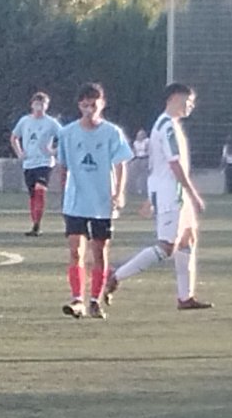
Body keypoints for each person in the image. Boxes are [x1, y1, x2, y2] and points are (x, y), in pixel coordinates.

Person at [105, 84, 212, 311]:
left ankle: (185, 297)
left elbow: (158, 165)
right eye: (188, 100)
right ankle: (116, 276)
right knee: (166, 247)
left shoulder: (169, 125)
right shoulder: (167, 127)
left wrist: (152, 197)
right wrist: (193, 193)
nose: (191, 105)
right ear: (174, 97)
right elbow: (173, 164)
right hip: (172, 194)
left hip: (170, 192)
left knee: (188, 239)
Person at [55, 82, 133, 319]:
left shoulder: (112, 133)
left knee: (99, 250)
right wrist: (64, 193)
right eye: (85, 104)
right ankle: (77, 298)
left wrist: (118, 193)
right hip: (76, 201)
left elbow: (121, 164)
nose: (90, 108)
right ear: (80, 106)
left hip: (101, 201)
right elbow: (64, 166)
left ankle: (95, 300)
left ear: (102, 104)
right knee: (75, 250)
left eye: (94, 104)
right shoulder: (67, 133)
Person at [10, 92, 63, 236]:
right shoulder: (25, 121)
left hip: (44, 163)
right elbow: (14, 137)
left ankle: (37, 226)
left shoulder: (51, 122)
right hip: (29, 163)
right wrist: (20, 153)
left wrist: (53, 151)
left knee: (40, 190)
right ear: (32, 105)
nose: (40, 107)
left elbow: (65, 137)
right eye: (37, 104)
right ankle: (35, 222)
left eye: (43, 104)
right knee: (33, 194)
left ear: (47, 106)